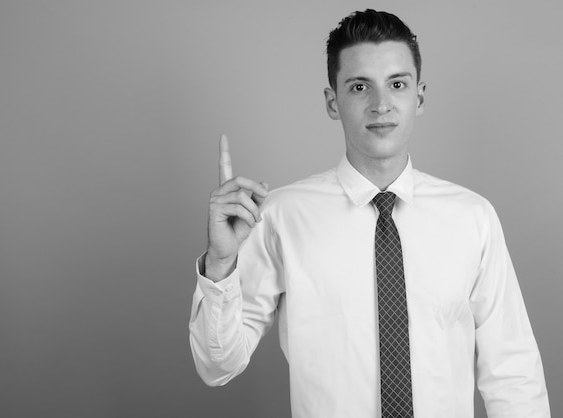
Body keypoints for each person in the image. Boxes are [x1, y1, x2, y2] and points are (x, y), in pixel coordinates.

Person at [189, 9, 550, 418]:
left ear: (420, 96)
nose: (381, 105)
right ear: (332, 101)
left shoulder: (473, 218)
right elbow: (217, 366)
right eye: (360, 86)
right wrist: (221, 264)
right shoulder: (280, 217)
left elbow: (513, 372)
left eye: (397, 84)